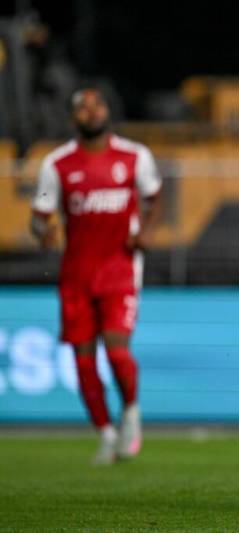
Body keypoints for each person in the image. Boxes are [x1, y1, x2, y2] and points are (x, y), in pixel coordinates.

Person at [30, 87, 162, 465]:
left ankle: (131, 412)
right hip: (76, 275)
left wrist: (147, 232)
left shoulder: (135, 156)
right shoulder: (56, 164)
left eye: (97, 105)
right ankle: (105, 433)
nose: (91, 112)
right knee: (84, 364)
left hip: (120, 269)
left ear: (107, 110)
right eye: (82, 108)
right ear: (73, 117)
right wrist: (44, 232)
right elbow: (39, 218)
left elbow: (155, 198)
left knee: (117, 351)